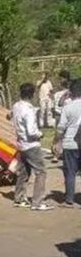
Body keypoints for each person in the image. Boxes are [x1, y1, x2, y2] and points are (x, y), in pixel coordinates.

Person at [11, 83, 52, 211]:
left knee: (24, 172)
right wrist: (40, 134)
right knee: (41, 172)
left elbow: (10, 116)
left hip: (21, 144)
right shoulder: (29, 110)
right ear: (32, 94)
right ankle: (37, 202)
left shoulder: (16, 106)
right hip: (31, 145)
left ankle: (19, 198)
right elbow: (31, 131)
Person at [56, 79, 81, 207]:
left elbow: (61, 127)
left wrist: (58, 141)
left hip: (70, 143)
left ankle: (69, 199)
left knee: (70, 172)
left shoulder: (67, 107)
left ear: (71, 92)